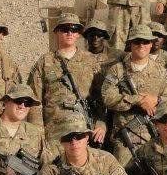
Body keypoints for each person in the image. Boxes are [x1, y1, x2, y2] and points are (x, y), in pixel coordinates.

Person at [27, 11, 107, 147]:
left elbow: (102, 97)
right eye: (65, 29)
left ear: (78, 34)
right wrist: (38, 133)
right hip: (54, 133)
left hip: (84, 131)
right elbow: (34, 101)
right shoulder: (45, 62)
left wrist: (101, 124)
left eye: (74, 29)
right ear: (56, 32)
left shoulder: (90, 61)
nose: (69, 33)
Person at [101, 24, 167, 167]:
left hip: (154, 137)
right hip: (125, 139)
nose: (141, 45)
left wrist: (157, 100)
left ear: (151, 44)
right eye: (137, 41)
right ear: (130, 43)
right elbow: (107, 97)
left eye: (146, 41)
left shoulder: (161, 71)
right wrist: (137, 100)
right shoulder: (117, 70)